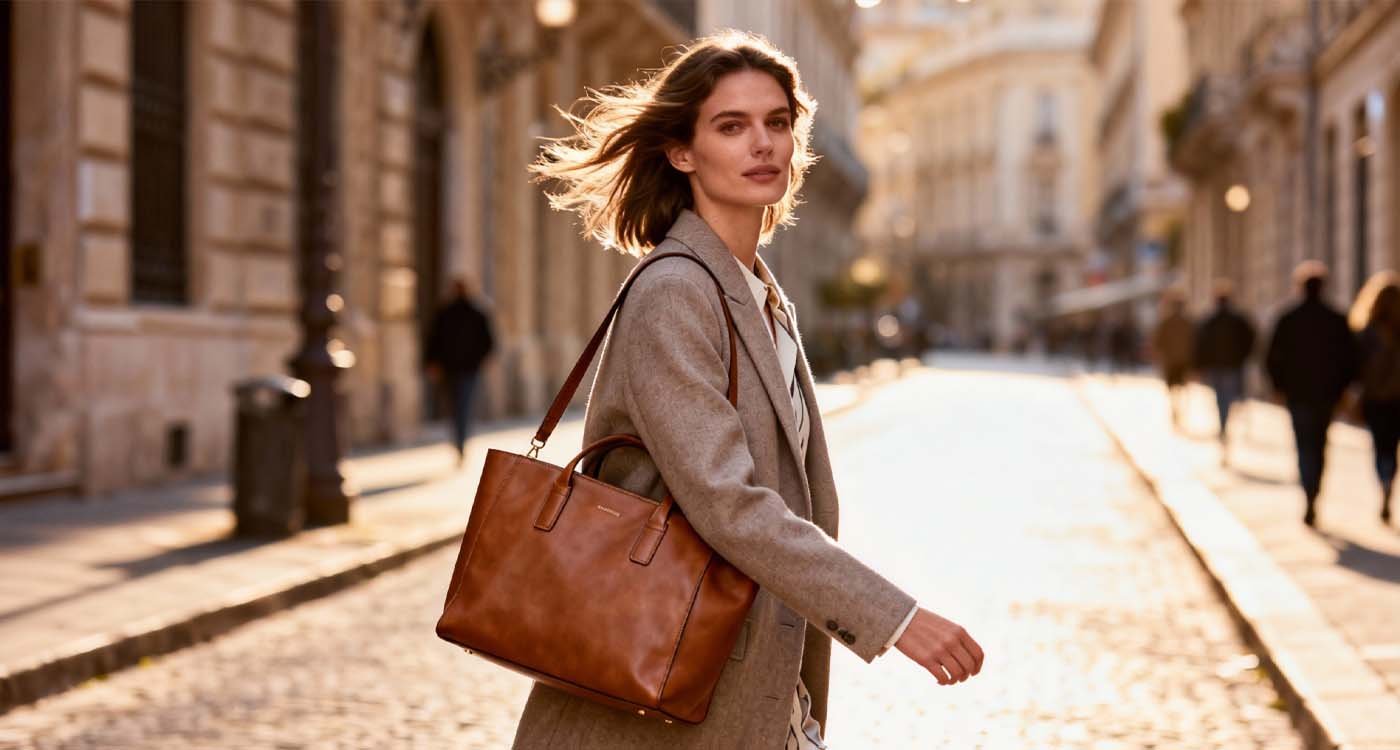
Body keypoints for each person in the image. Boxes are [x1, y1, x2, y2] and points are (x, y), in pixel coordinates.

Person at [520, 31, 983, 749]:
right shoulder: (676, 290)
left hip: (751, 681)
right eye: (731, 127)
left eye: (776, 123)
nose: (762, 144)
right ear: (681, 151)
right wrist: (894, 618)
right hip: (670, 689)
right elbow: (728, 503)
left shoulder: (760, 294)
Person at [1265, 262, 1359, 527]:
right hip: (1326, 394)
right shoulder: (1337, 319)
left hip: (1298, 394)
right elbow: (1350, 360)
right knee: (1319, 445)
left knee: (1304, 444)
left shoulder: (1287, 319)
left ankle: (1309, 492)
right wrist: (1344, 389)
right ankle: (1313, 492)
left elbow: (1272, 358)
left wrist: (1278, 387)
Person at [423, 276, 495, 467]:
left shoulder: (467, 313)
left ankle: (460, 442)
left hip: (460, 369)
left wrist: (433, 362)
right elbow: (434, 340)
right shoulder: (453, 313)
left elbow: (488, 343)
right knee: (459, 407)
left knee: (459, 407)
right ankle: (459, 441)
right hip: (457, 369)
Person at [1349, 270, 1400, 524]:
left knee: (1381, 448)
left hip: (1376, 400)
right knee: (1394, 447)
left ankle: (1385, 481)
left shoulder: (1366, 332)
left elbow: (1354, 367)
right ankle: (1390, 478)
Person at [1194, 280, 1256, 463]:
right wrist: (1242, 358)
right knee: (1227, 397)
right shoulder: (1237, 319)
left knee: (1221, 398)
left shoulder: (1210, 320)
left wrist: (1200, 366)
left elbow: (1201, 345)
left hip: (1218, 366)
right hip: (1231, 366)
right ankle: (1224, 424)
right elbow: (1250, 340)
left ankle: (1223, 425)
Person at [1150, 291, 1194, 427]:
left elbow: (1158, 341)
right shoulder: (1188, 323)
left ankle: (1175, 408)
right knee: (1181, 387)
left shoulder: (1166, 322)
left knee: (1173, 387)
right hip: (1183, 361)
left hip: (1171, 361)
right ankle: (1178, 408)